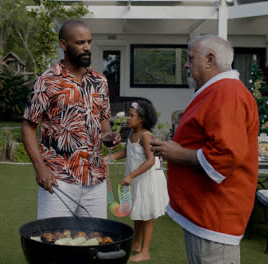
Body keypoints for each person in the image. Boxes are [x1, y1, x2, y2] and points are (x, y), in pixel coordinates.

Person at [150, 35, 259, 264]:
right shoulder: (220, 90)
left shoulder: (228, 93)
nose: (186, 65)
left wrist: (177, 153)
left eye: (191, 58)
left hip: (215, 216)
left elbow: (226, 155)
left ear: (210, 60)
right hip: (204, 214)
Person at [22, 19, 121, 219]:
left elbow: (103, 123)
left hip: (95, 180)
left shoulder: (99, 81)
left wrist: (109, 135)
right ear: (63, 45)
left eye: (89, 42)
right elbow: (28, 127)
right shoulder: (46, 81)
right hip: (59, 180)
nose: (86, 47)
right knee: (54, 243)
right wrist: (40, 168)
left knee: (95, 241)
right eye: (80, 43)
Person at [107, 101, 169, 262]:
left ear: (142, 119)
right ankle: (136, 245)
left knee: (146, 215)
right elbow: (129, 151)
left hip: (146, 180)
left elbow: (150, 161)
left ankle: (145, 251)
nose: (128, 118)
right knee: (137, 213)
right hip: (137, 179)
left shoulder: (145, 136)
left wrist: (130, 176)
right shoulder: (134, 133)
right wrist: (110, 157)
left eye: (132, 115)